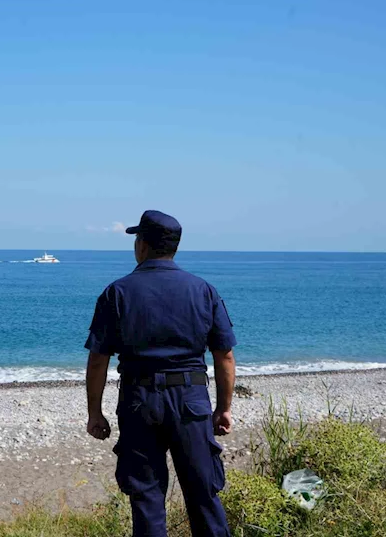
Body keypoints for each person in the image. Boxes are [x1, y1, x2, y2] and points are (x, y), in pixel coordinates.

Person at [84, 210, 236, 537]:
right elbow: (224, 356)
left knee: (147, 499)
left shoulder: (117, 293)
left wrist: (95, 413)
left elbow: (99, 360)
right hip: (191, 403)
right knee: (203, 496)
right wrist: (223, 408)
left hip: (139, 402)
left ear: (143, 245)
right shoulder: (203, 290)